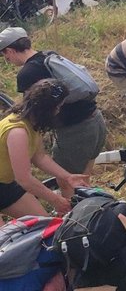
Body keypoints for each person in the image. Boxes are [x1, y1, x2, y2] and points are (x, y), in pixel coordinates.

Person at [2, 29, 107, 176]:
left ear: (10, 51)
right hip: (95, 121)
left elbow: (31, 112)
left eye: (5, 56)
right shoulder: (49, 55)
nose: (7, 60)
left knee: (67, 182)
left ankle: (72, 200)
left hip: (75, 131)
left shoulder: (27, 73)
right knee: (82, 178)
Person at [0, 81, 88, 217]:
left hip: (6, 185)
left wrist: (67, 177)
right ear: (47, 109)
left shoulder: (33, 123)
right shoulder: (18, 132)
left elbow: (40, 157)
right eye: (58, 107)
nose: (59, 111)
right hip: (8, 183)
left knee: (45, 226)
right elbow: (24, 179)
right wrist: (55, 199)